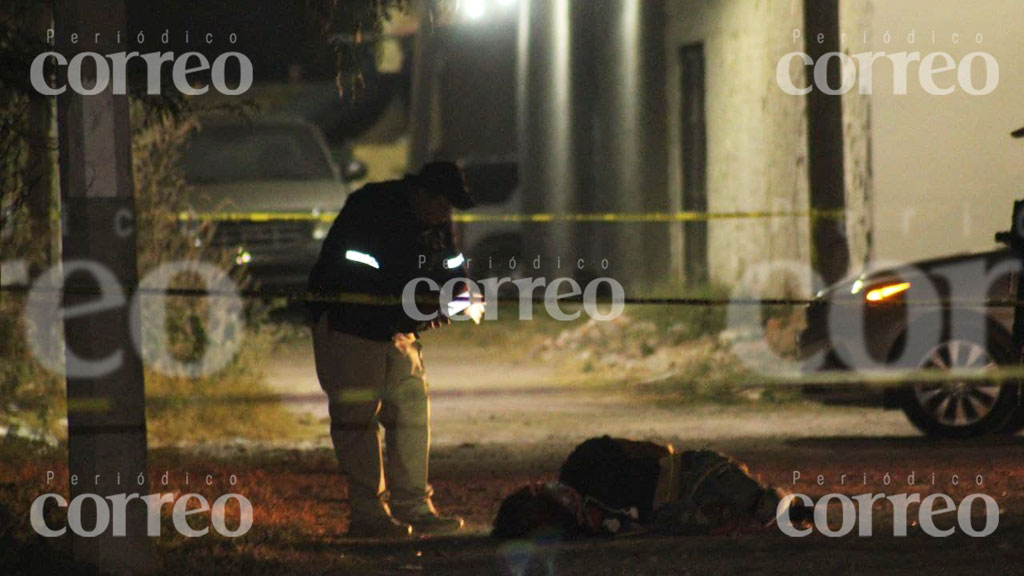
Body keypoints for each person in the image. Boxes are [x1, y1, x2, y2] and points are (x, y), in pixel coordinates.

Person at [308, 162, 482, 539]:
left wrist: (459, 294)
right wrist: (418, 299)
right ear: (423, 194)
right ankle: (368, 513)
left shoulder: (436, 221)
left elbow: (450, 265)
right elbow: (357, 267)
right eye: (443, 205)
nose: (446, 215)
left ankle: (413, 506)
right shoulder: (371, 207)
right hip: (351, 325)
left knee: (411, 414)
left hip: (400, 331)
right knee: (357, 420)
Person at [492, 436, 810, 539]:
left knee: (771, 512)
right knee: (752, 518)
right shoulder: (587, 525)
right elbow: (658, 451)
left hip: (696, 474)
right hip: (679, 500)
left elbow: (660, 452)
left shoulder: (582, 465)